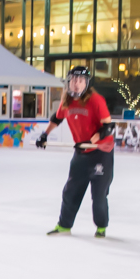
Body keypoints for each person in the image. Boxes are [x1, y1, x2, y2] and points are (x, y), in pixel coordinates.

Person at [35, 65, 115, 237]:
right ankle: (64, 225)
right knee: (71, 191)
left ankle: (101, 227)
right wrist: (44, 135)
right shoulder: (67, 101)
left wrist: (89, 141)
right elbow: (57, 118)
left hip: (100, 151)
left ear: (86, 83)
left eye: (80, 81)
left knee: (98, 196)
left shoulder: (96, 100)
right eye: (73, 80)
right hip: (81, 153)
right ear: (68, 82)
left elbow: (108, 127)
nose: (76, 84)